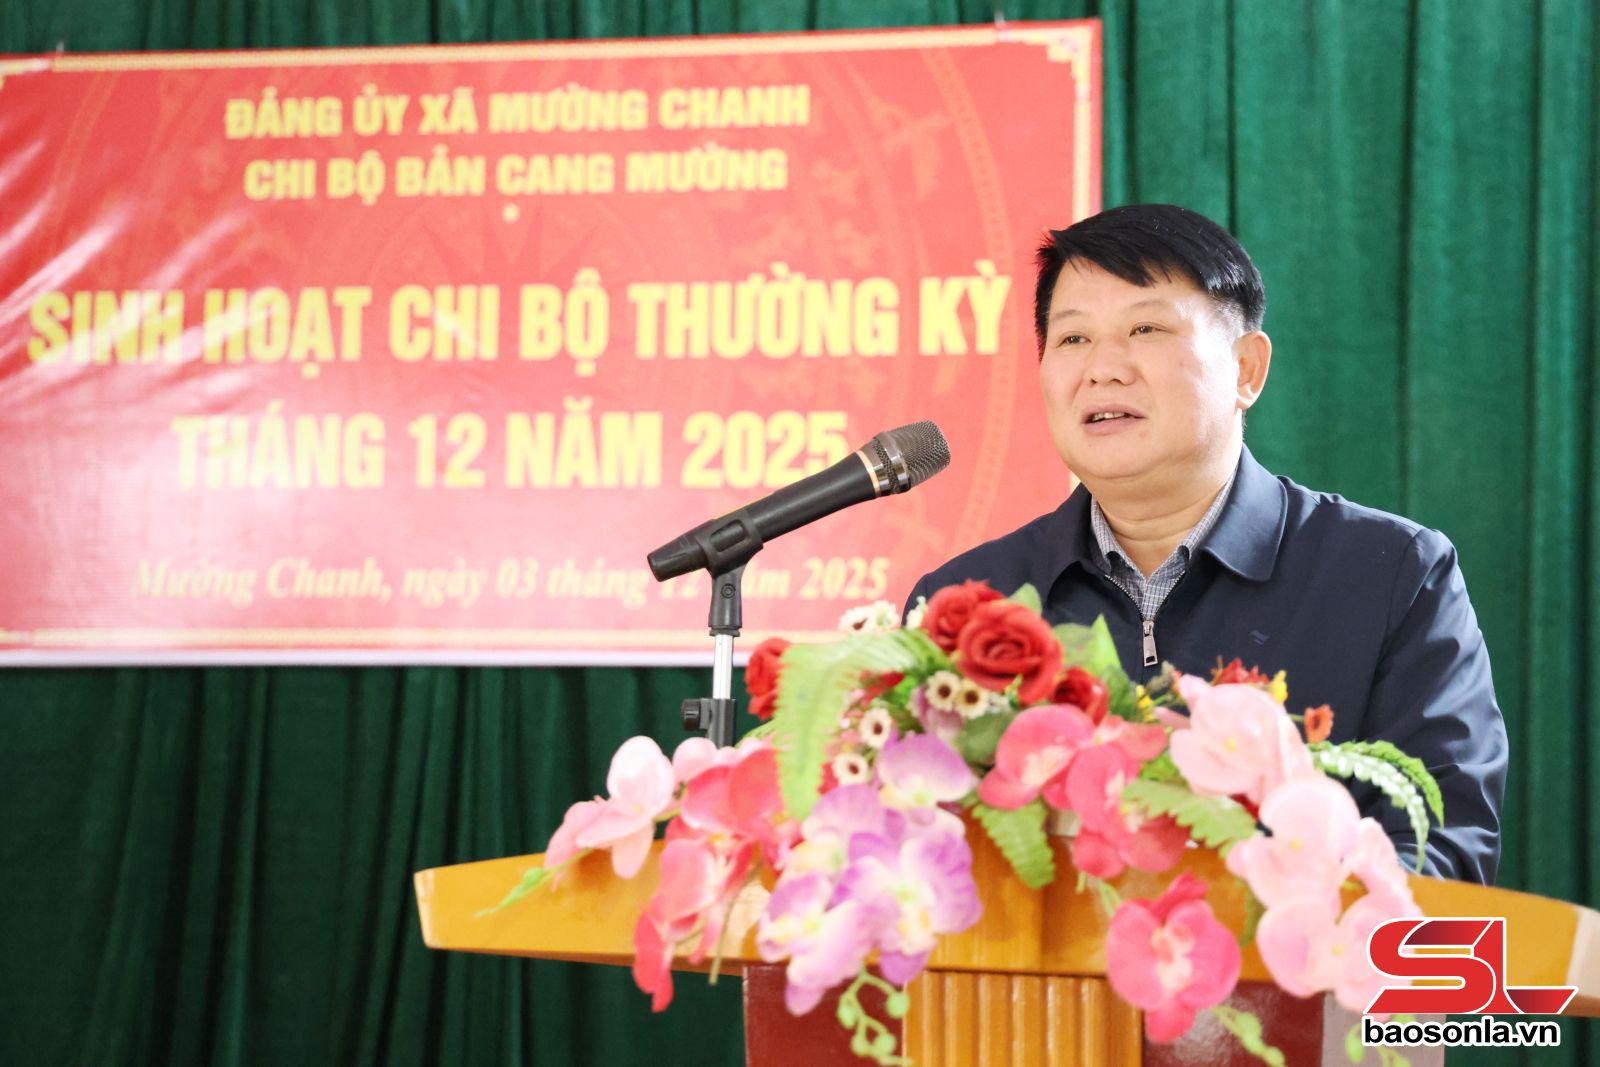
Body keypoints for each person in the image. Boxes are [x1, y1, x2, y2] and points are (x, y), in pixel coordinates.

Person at [904, 204, 1506, 885]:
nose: (1102, 368)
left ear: (1246, 369)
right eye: (1072, 338)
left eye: (1146, 328)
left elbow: (1443, 850)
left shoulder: (1393, 575)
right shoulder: (964, 605)